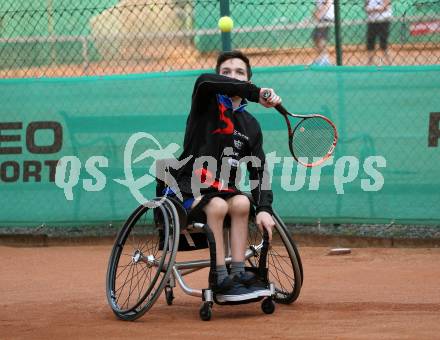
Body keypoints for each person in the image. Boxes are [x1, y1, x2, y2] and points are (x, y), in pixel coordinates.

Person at [173, 50, 282, 303]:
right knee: (219, 204)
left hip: (224, 190)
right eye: (226, 72)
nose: (233, 76)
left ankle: (238, 274)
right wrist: (255, 92)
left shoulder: (250, 125)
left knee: (243, 202)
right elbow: (205, 80)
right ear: (218, 76)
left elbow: (258, 170)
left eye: (240, 72)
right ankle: (219, 278)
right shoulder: (204, 98)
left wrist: (265, 207)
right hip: (188, 190)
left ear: (248, 77)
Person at [365, 0, 393, 65]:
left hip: (383, 20)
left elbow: (385, 7)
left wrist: (372, 9)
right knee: (370, 42)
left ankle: (390, 62)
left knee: (384, 43)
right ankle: (370, 62)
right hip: (372, 20)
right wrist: (377, 8)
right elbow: (366, 8)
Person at [311, 0, 334, 66]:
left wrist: (320, 14)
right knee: (316, 37)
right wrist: (315, 14)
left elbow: (328, 3)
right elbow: (318, 7)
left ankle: (324, 59)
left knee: (320, 37)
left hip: (326, 16)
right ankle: (323, 58)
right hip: (322, 16)